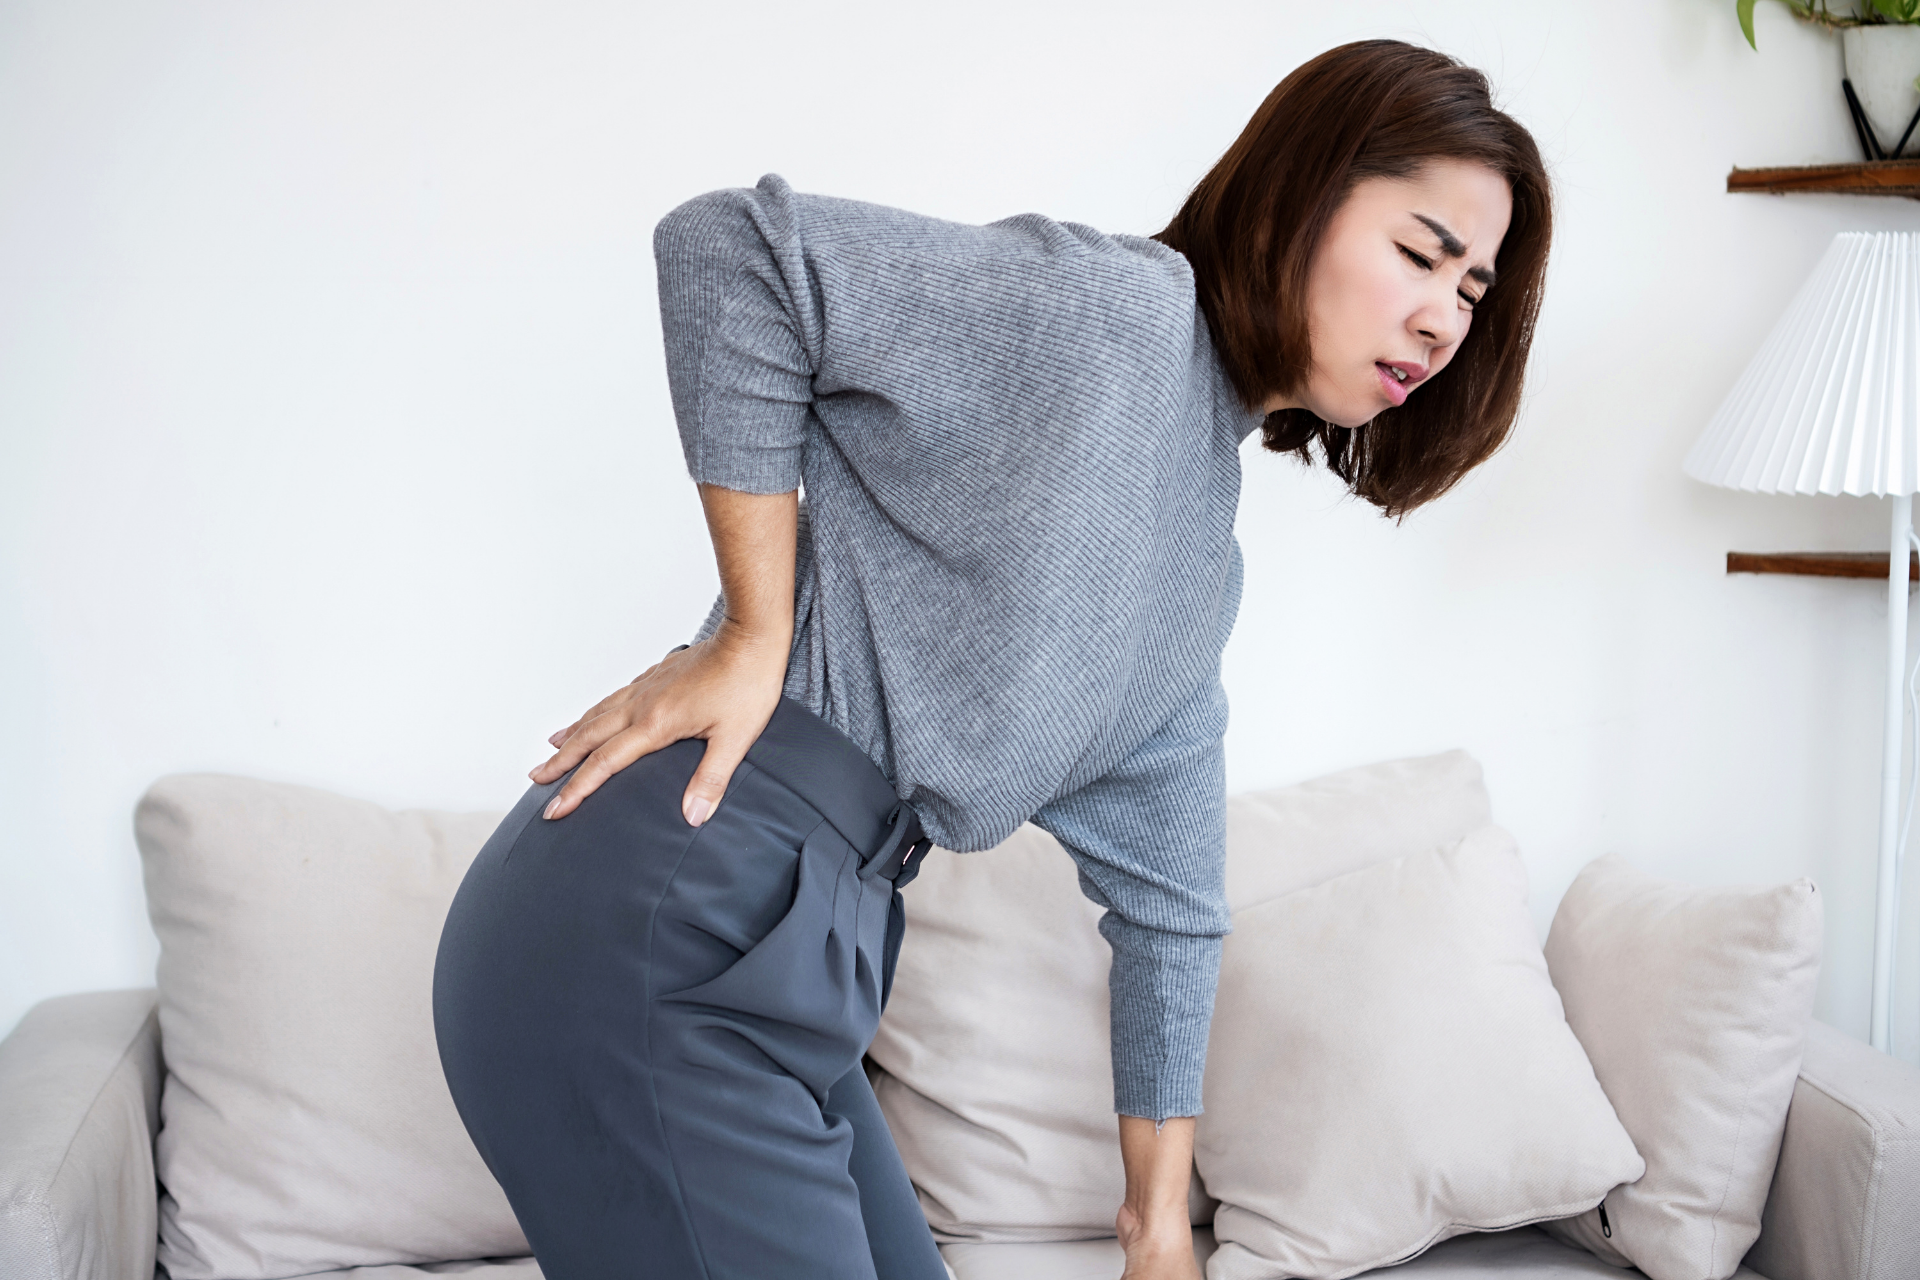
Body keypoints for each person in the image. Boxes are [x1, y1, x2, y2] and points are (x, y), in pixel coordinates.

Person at [431, 36, 1552, 1280]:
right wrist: (754, 629)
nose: (1446, 319)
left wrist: (1157, 1227)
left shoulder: (1196, 576)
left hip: (797, 957)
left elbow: (1173, 913)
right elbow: (735, 252)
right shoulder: (1120, 319)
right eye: (1421, 255)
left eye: (1474, 294)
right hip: (659, 912)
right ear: (1300, 198)